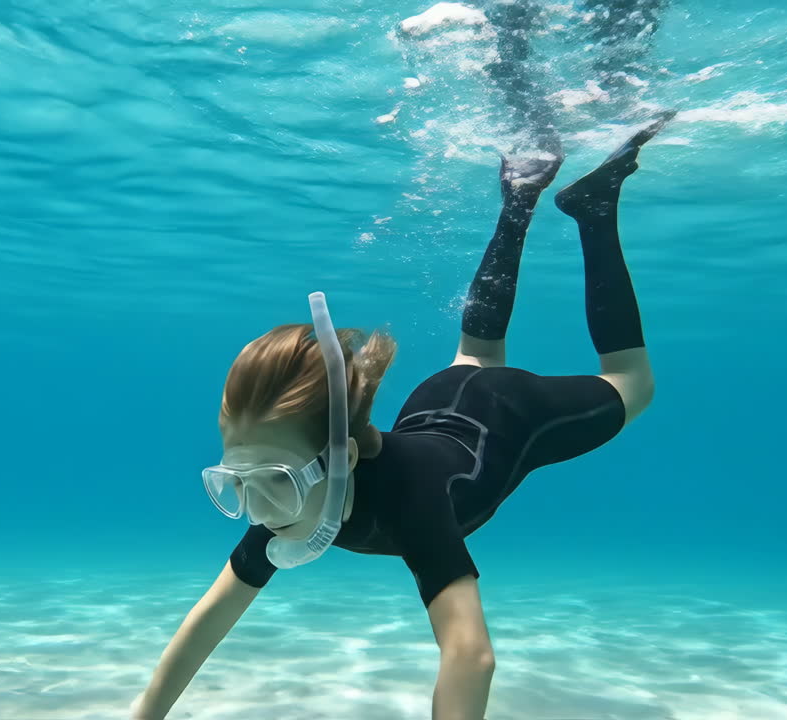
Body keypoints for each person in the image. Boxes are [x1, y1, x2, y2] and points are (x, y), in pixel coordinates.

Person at [132, 3, 673, 719]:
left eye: (273, 481)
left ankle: (594, 207)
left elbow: (471, 655)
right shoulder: (291, 499)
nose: (258, 510)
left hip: (507, 417)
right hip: (438, 399)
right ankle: (518, 195)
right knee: (472, 352)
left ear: (345, 454)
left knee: (631, 385)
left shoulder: (411, 508)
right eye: (238, 483)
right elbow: (206, 622)